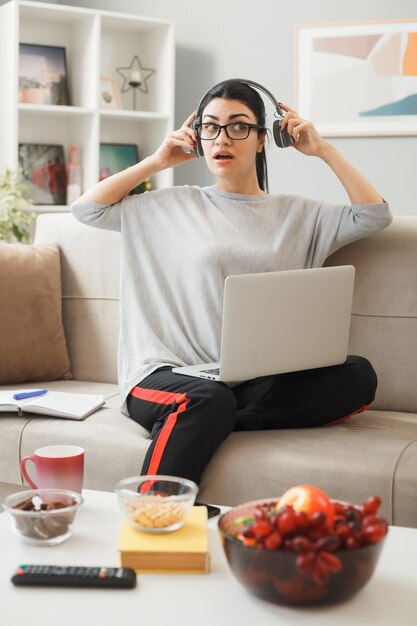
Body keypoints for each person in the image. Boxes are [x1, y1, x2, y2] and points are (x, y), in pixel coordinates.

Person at [72, 79, 393, 486]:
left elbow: (373, 216)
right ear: (197, 138)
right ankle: (153, 510)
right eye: (210, 127)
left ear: (262, 139)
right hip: (166, 375)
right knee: (206, 398)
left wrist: (324, 151)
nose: (222, 138)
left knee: (358, 375)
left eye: (239, 126)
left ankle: (210, 421)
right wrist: (156, 162)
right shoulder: (166, 207)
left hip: (251, 384)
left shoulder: (299, 214)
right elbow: (88, 211)